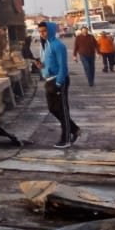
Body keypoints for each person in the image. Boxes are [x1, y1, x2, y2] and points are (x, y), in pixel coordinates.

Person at [37, 20, 80, 148]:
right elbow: (48, 64)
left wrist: (59, 83)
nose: (42, 34)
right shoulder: (45, 46)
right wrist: (41, 66)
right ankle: (75, 129)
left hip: (58, 80)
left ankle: (66, 139)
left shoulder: (58, 45)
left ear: (50, 30)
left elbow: (63, 67)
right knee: (53, 109)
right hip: (48, 80)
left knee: (63, 110)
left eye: (44, 31)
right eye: (40, 32)